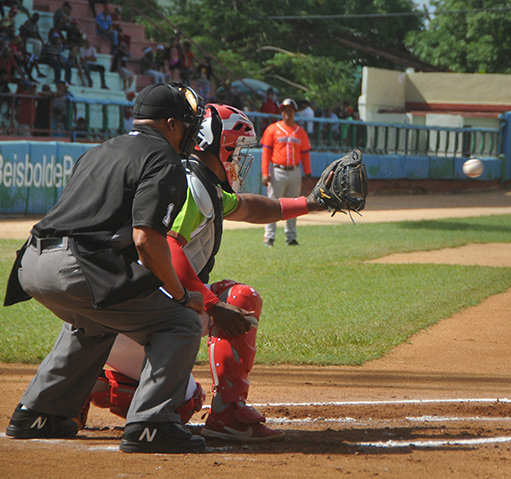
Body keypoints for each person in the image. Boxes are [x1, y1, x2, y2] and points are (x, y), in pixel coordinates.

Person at [86, 104, 330, 441]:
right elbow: (169, 247)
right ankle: (228, 413)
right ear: (216, 144)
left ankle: (89, 381)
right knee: (239, 299)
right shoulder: (191, 186)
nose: (239, 157)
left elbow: (250, 207)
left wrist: (311, 203)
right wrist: (212, 304)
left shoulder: (199, 183)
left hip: (127, 316)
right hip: (141, 316)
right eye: (236, 148)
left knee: (187, 400)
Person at [3, 82, 207, 454]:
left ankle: (38, 413)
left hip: (31, 263)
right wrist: (180, 295)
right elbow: (147, 238)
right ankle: (151, 423)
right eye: (186, 124)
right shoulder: (163, 157)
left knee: (94, 321)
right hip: (78, 266)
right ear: (172, 125)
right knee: (179, 321)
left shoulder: (100, 150)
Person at [261, 98, 311, 247]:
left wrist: (308, 173)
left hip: (295, 171)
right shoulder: (272, 129)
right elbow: (265, 153)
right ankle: (269, 237)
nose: (287, 113)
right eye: (284, 110)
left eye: (290, 110)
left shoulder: (300, 131)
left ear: (295, 112)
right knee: (273, 205)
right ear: (281, 112)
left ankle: (291, 237)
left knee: (294, 205)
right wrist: (265, 172)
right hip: (277, 171)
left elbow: (305, 154)